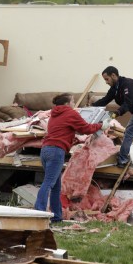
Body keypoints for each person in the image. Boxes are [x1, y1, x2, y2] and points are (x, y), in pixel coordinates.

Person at [34, 92, 110, 223]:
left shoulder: (54, 114)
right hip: (56, 151)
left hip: (46, 150)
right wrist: (101, 125)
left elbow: (65, 130)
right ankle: (38, 213)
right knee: (48, 182)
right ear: (67, 104)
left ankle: (56, 217)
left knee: (56, 186)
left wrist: (71, 139)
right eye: (73, 101)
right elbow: (85, 128)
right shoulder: (70, 113)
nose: (75, 104)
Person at [92, 66, 133, 170]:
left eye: (107, 79)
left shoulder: (127, 84)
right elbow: (105, 100)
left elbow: (128, 104)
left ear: (113, 75)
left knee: (129, 133)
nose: (106, 82)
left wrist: (116, 113)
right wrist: (91, 106)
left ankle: (122, 160)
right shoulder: (115, 88)